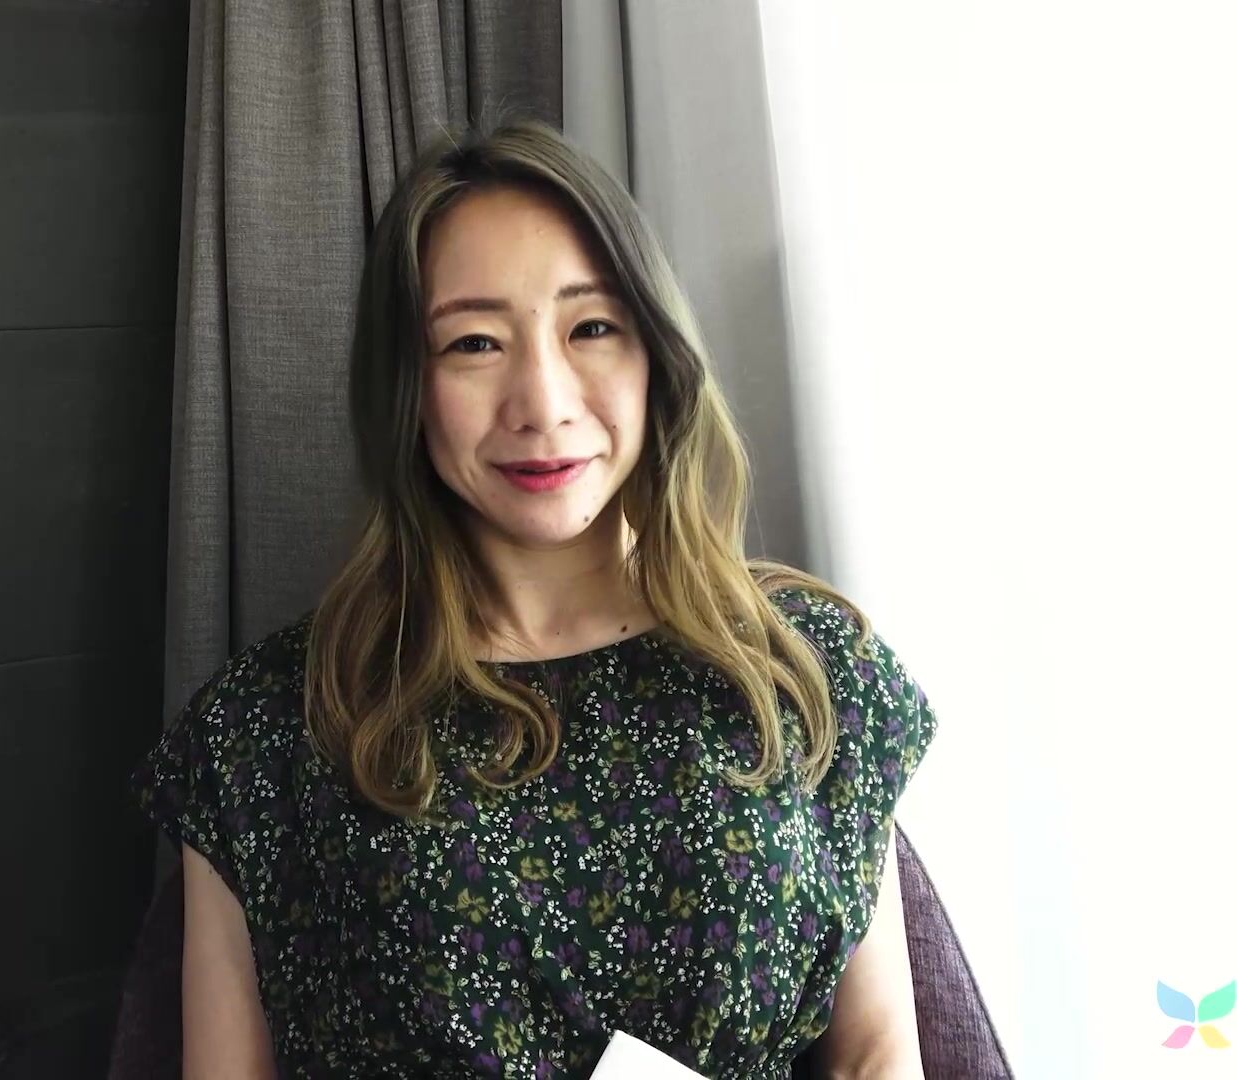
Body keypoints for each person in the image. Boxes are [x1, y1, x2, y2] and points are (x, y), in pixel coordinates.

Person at [131, 112, 937, 1079]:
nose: (544, 404)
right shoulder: (268, 728)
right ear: (407, 387)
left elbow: (875, 1055)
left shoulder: (805, 665)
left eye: (592, 327)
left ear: (656, 353)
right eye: (474, 344)